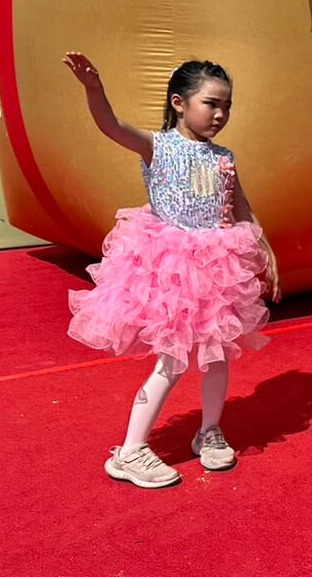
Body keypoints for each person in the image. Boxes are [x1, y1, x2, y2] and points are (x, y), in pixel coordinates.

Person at [63, 54, 281, 489]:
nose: (220, 114)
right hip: (173, 271)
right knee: (173, 361)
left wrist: (264, 248)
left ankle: (210, 430)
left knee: (217, 354)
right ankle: (129, 450)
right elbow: (112, 127)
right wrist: (94, 90)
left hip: (217, 269)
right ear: (179, 103)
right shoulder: (157, 146)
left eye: (227, 105)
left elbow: (239, 206)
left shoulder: (224, 156)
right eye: (211, 103)